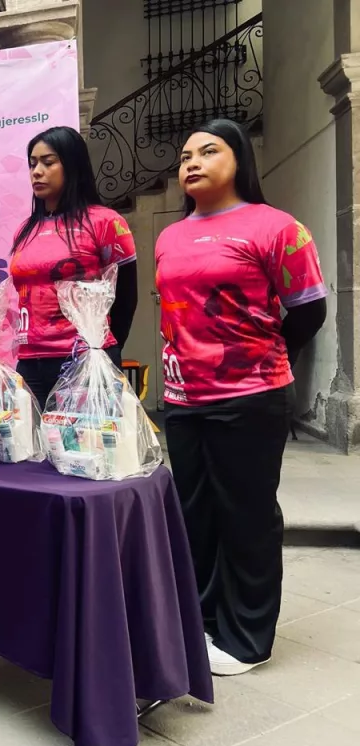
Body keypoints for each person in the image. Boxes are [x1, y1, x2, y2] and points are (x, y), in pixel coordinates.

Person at [156, 118, 327, 677]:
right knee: (195, 516)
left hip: (250, 397)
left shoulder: (276, 228)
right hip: (183, 399)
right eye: (185, 156)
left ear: (239, 160)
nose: (192, 163)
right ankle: (203, 622)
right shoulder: (169, 237)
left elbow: (308, 309)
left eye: (208, 151)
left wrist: (264, 357)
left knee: (247, 516)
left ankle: (248, 638)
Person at [8, 125, 139, 409]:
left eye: (48, 162)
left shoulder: (105, 222)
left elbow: (126, 297)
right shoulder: (25, 230)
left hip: (83, 358)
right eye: (32, 164)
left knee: (87, 439)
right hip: (30, 362)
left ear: (72, 164)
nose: (37, 171)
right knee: (31, 438)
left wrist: (103, 351)